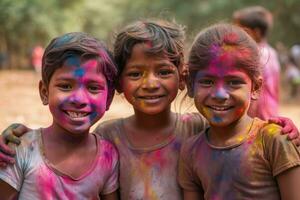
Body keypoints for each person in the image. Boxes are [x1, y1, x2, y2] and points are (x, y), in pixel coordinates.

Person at [0, 20, 299, 200]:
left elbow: (243, 135)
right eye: (135, 74)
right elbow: (61, 138)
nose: (150, 83)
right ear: (118, 84)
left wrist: (282, 127)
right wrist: (17, 134)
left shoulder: (197, 129)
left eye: (163, 72)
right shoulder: (108, 137)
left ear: (183, 79)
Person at [178, 23, 300, 200]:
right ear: (190, 85)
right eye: (208, 81)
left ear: (256, 87)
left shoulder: (275, 140)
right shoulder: (190, 151)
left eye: (233, 82)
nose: (219, 95)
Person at [0, 32, 119, 199]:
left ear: (109, 99)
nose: (79, 99)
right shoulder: (21, 149)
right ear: (44, 92)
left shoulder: (108, 156)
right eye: (65, 86)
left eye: (93, 88)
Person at [233, 6, 281, 120]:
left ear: (256, 33)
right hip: (271, 112)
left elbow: (254, 92)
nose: (236, 35)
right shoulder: (271, 52)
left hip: (258, 116)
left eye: (241, 31)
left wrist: (247, 120)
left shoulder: (253, 56)